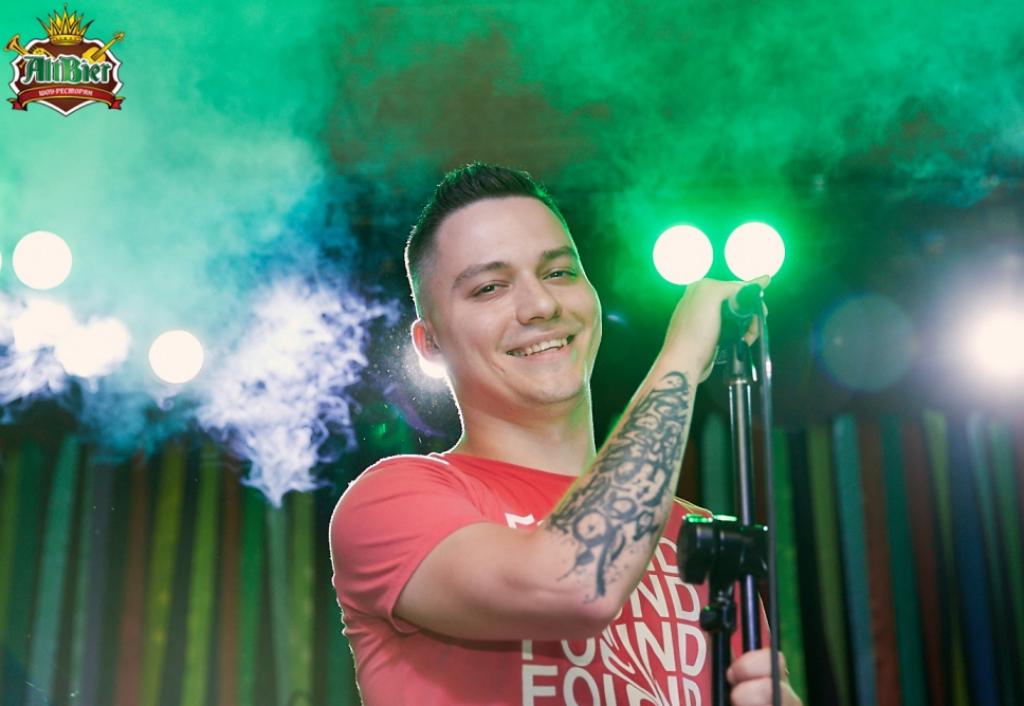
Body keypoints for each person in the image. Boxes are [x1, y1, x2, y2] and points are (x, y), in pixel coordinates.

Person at [330, 163, 801, 706]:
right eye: (490, 288)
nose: (541, 306)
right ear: (430, 343)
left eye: (558, 273)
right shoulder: (391, 501)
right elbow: (577, 584)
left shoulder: (695, 534)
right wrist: (682, 355)